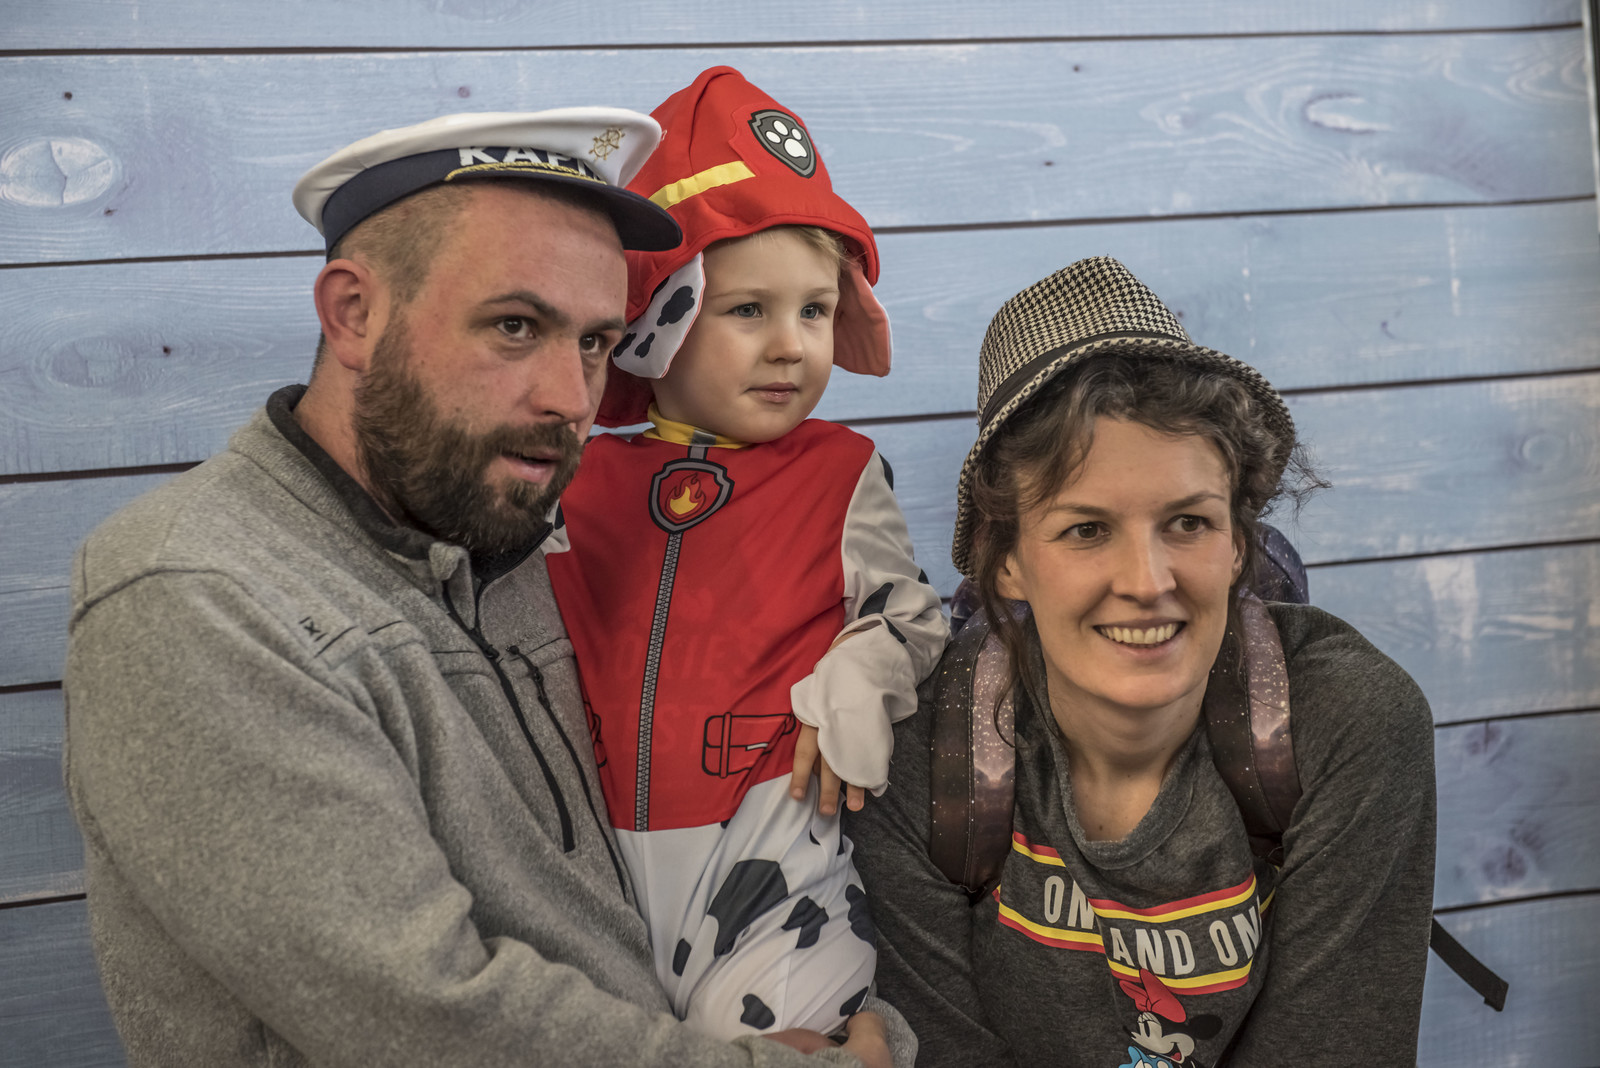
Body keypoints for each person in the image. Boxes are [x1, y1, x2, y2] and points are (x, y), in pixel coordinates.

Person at [62, 107, 900, 1067]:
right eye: (514, 327)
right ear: (353, 313)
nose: (569, 399)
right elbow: (421, 1017)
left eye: (595, 342)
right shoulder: (198, 595)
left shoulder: (504, 527)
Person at [845, 257, 1437, 1066]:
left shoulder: (1346, 724)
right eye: (1086, 530)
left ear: (1240, 543)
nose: (1147, 583)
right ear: (1005, 560)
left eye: (1189, 523)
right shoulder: (919, 756)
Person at [546, 67, 948, 1042]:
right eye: (747, 311)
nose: (791, 346)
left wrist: (862, 669)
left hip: (772, 871)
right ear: (659, 319)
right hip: (591, 877)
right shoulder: (572, 480)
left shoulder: (842, 471)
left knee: (787, 1043)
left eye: (814, 311)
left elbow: (911, 612)